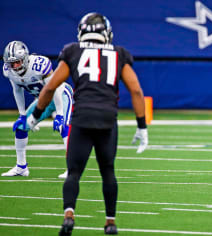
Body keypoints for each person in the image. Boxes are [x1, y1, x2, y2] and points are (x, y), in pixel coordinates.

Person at [26, 13, 149, 235]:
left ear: (82, 31)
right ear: (107, 33)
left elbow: (51, 87)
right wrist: (141, 125)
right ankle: (110, 222)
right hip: (107, 120)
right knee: (108, 172)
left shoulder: (73, 51)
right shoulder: (119, 54)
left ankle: (68, 216)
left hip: (82, 118)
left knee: (74, 172)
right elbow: (137, 91)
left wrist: (35, 114)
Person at [2, 40, 72, 179]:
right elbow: (17, 91)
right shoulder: (8, 71)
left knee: (63, 126)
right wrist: (22, 115)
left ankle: (73, 169)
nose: (15, 66)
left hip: (61, 94)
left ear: (26, 58)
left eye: (18, 62)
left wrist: (59, 115)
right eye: (12, 63)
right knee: (21, 127)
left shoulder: (39, 65)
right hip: (42, 100)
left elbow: (55, 88)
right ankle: (21, 167)